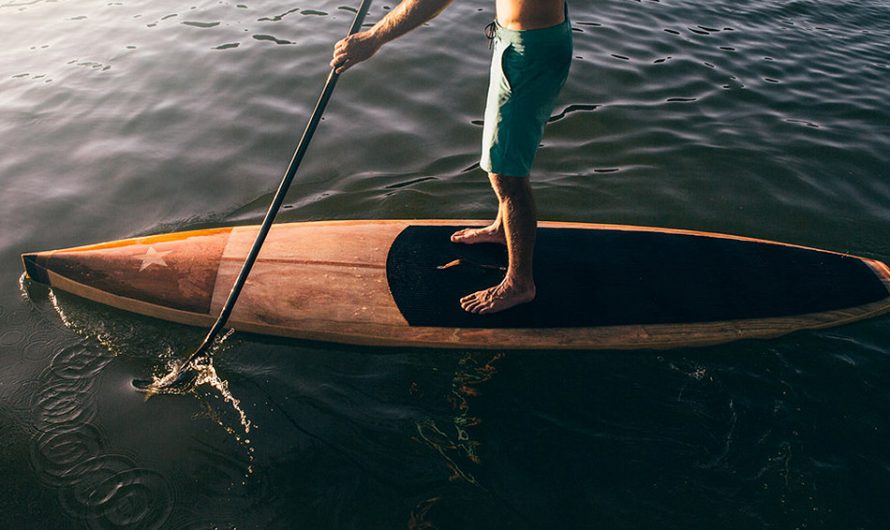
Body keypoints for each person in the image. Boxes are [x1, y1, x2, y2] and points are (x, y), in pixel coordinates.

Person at [331, 0, 572, 314]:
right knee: (505, 156)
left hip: (530, 51)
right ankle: (502, 231)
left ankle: (519, 283)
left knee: (507, 175)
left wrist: (374, 37)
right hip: (517, 42)